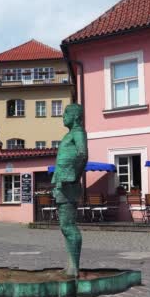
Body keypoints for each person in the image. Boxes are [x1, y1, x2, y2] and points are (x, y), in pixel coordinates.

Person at [51, 103, 87, 277]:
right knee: (65, 226)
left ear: (76, 117)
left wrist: (74, 175)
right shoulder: (69, 135)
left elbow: (83, 154)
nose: (62, 116)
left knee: (68, 226)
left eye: (66, 113)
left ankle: (74, 266)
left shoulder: (78, 132)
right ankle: (70, 264)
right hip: (62, 184)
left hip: (69, 185)